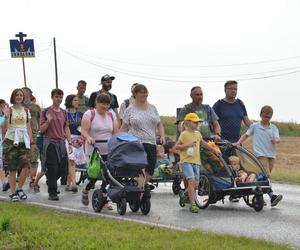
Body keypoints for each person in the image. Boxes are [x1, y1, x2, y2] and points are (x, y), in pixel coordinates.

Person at [234, 105, 283, 207]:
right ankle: (271, 196)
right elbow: (246, 135)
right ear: (260, 115)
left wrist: (276, 140)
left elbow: (278, 138)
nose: (266, 118)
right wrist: (238, 143)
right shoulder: (255, 126)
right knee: (267, 175)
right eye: (265, 116)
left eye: (268, 117)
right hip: (260, 155)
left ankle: (258, 195)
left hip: (271, 155)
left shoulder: (273, 128)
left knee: (262, 177)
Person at [120, 84, 165, 189]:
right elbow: (124, 127)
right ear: (135, 94)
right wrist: (118, 139)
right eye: (142, 93)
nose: (145, 95)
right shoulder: (130, 110)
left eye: (146, 93)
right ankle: (138, 195)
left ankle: (138, 188)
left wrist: (162, 135)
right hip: (136, 142)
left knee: (150, 169)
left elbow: (159, 124)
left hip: (151, 142)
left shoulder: (152, 108)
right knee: (140, 169)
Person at [176, 113, 220, 213]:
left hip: (196, 162)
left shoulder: (198, 134)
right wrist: (188, 145)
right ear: (187, 123)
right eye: (194, 122)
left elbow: (203, 144)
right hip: (186, 161)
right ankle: (193, 204)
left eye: (198, 122)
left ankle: (184, 195)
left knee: (195, 185)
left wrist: (213, 150)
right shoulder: (184, 134)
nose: (197, 124)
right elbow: (177, 147)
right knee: (191, 182)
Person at [81, 93, 119, 209]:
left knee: (108, 175)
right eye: (102, 103)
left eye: (107, 104)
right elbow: (84, 130)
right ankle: (86, 189)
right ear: (97, 103)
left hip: (108, 149)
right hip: (93, 149)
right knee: (94, 174)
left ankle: (104, 199)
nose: (105, 106)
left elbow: (115, 133)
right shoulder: (90, 114)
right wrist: (88, 138)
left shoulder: (112, 115)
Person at [39, 88, 72, 201]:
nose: (59, 98)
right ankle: (52, 192)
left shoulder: (64, 112)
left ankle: (50, 180)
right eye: (57, 96)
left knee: (63, 169)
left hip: (61, 142)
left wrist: (70, 141)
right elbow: (41, 129)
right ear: (52, 97)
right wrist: (48, 121)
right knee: (52, 167)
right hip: (50, 142)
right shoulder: (45, 111)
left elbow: (66, 127)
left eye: (61, 96)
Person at [2, 89, 34, 201]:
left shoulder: (26, 110)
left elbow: (28, 127)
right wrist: (6, 117)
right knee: (12, 168)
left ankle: (19, 189)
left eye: (21, 95)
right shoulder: (9, 110)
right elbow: (5, 127)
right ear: (13, 96)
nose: (19, 97)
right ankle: (13, 192)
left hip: (23, 141)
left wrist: (31, 142)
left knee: (26, 165)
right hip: (11, 141)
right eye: (17, 95)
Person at [64, 94, 86, 193]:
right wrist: (68, 139)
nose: (78, 102)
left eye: (78, 100)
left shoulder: (81, 114)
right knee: (71, 161)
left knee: (74, 162)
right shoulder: (65, 114)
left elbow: (84, 127)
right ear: (70, 101)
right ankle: (73, 184)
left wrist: (82, 138)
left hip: (79, 140)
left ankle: (68, 184)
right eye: (75, 100)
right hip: (68, 138)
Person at [22, 87, 41, 188]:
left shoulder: (36, 107)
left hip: (33, 135)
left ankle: (33, 180)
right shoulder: (17, 107)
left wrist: (40, 133)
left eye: (23, 93)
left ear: (29, 94)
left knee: (33, 159)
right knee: (24, 159)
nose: (22, 95)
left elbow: (40, 120)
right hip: (20, 136)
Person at [0, 99, 9, 191]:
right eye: (2, 106)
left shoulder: (4, 118)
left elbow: (5, 130)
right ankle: (4, 182)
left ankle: (4, 183)